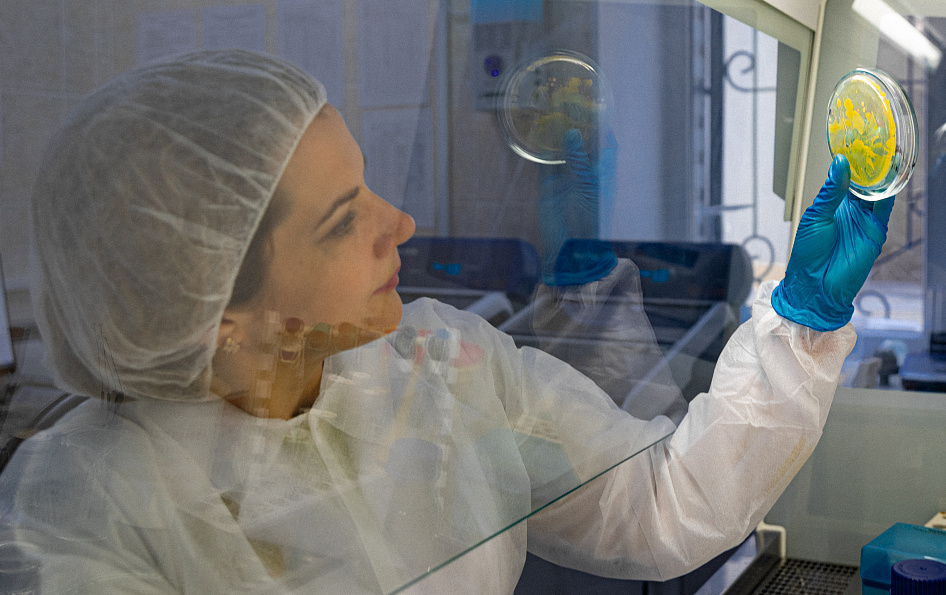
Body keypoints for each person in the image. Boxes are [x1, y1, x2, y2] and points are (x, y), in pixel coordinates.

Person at [0, 50, 892, 594]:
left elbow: (661, 502)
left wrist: (801, 321)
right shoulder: (84, 514)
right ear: (224, 309)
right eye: (342, 220)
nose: (401, 222)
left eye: (367, 183)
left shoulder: (438, 363)